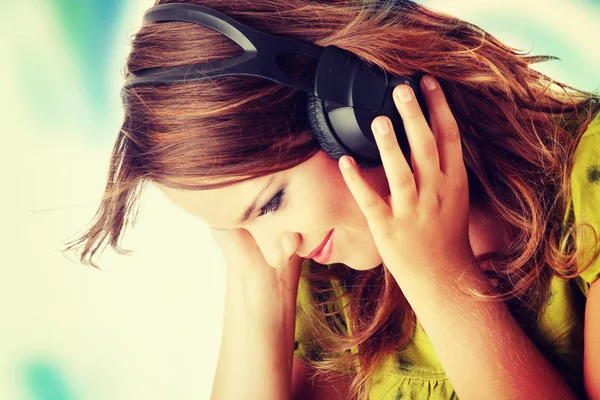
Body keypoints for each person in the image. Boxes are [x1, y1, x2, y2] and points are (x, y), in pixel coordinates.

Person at [62, 0, 600, 399]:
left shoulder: (589, 177)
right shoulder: (330, 269)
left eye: (270, 204)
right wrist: (260, 288)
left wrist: (439, 278)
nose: (279, 250)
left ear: (358, 107)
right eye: (240, 229)